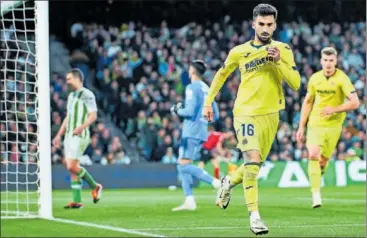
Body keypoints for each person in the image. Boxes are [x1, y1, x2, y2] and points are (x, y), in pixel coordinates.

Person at [202, 4, 301, 235]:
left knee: (253, 166)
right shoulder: (239, 51)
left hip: (271, 115)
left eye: (269, 24)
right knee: (253, 161)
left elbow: (296, 83)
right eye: (261, 24)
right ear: (253, 24)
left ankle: (228, 182)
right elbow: (221, 74)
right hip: (245, 112)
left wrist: (278, 62)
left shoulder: (283, 49)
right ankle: (254, 217)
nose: (265, 28)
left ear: (275, 25)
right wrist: (208, 102)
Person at [296, 47, 360, 208]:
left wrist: (335, 109)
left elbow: (355, 102)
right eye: (325, 60)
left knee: (323, 161)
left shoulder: (342, 79)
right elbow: (308, 101)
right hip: (316, 122)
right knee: (313, 154)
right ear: (321, 61)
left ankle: (319, 174)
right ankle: (316, 194)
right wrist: (301, 126)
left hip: (334, 125)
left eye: (331, 60)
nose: (328, 64)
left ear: (336, 61)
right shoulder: (315, 78)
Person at [170, 60, 221, 211]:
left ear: (192, 71)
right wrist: (202, 120)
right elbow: (215, 114)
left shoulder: (192, 87)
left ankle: (217, 183)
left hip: (191, 131)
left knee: (183, 165)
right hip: (201, 131)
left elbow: (190, 111)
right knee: (183, 164)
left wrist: (177, 110)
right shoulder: (207, 88)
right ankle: (189, 201)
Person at [52, 68, 103, 209]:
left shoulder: (87, 94)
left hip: (80, 135)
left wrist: (82, 127)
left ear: (77, 79)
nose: (67, 81)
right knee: (71, 168)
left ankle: (95, 186)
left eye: (69, 79)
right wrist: (59, 135)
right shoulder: (71, 96)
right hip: (69, 135)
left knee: (71, 165)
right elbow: (68, 118)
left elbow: (93, 116)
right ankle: (77, 201)